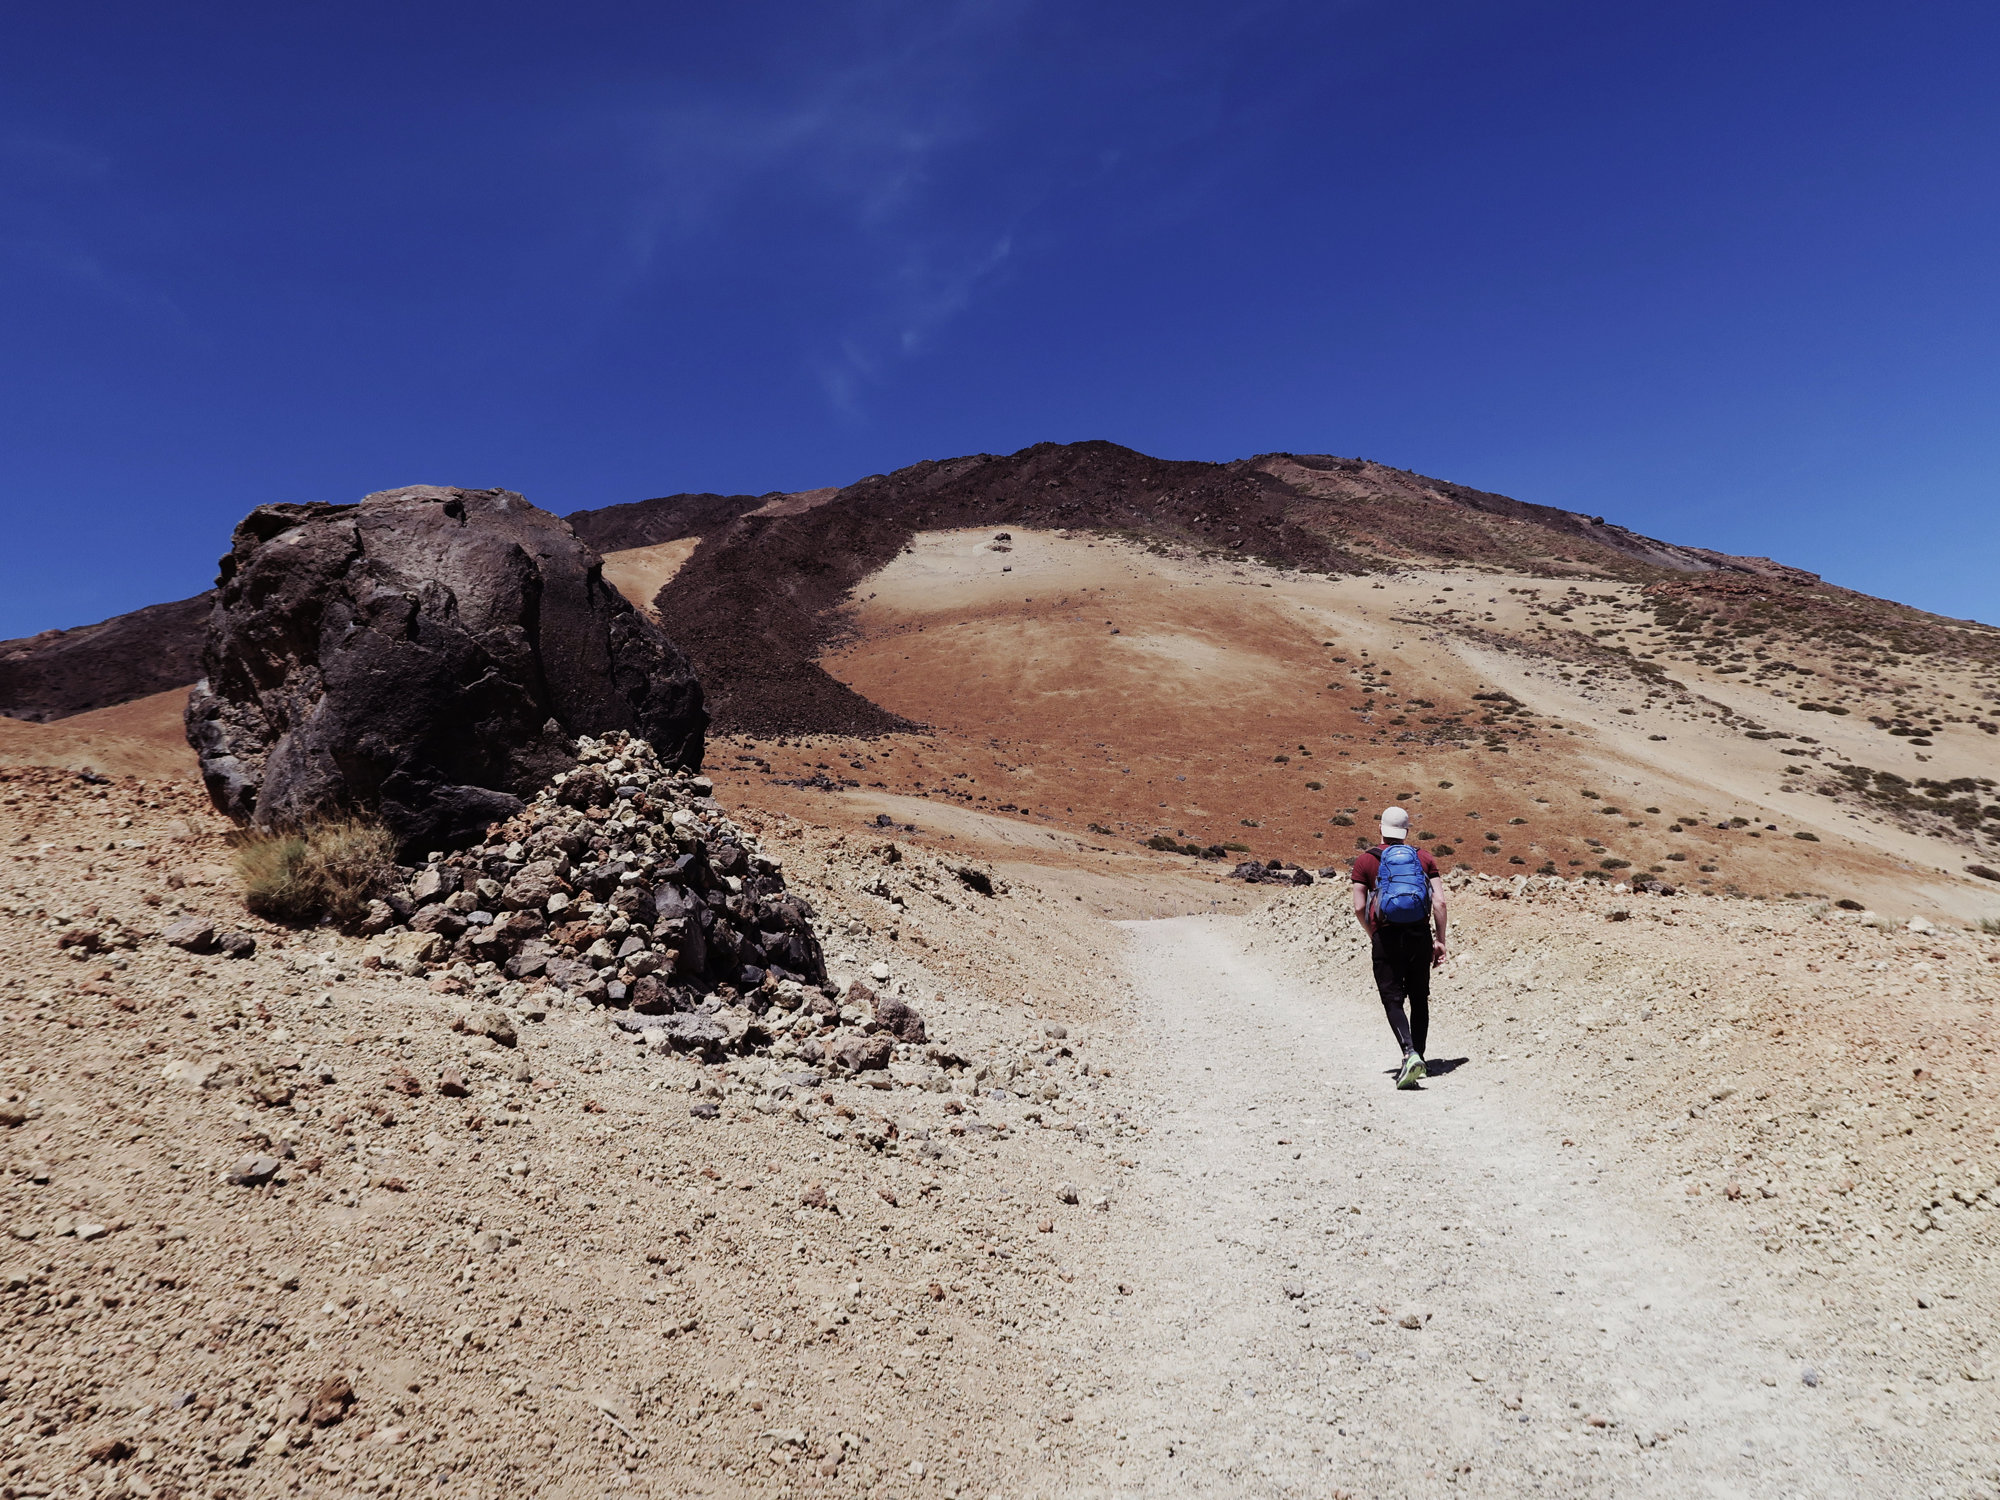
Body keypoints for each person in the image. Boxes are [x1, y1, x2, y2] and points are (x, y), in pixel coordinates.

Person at [1350, 806, 1449, 1089]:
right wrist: (1440, 940)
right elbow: (1440, 902)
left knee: (1392, 998)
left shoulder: (1365, 861)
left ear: (1380, 829)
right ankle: (1421, 1059)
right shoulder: (1424, 858)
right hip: (1420, 935)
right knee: (1419, 998)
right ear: (1406, 832)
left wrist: (1373, 932)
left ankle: (1409, 1053)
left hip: (1387, 937)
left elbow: (1359, 906)